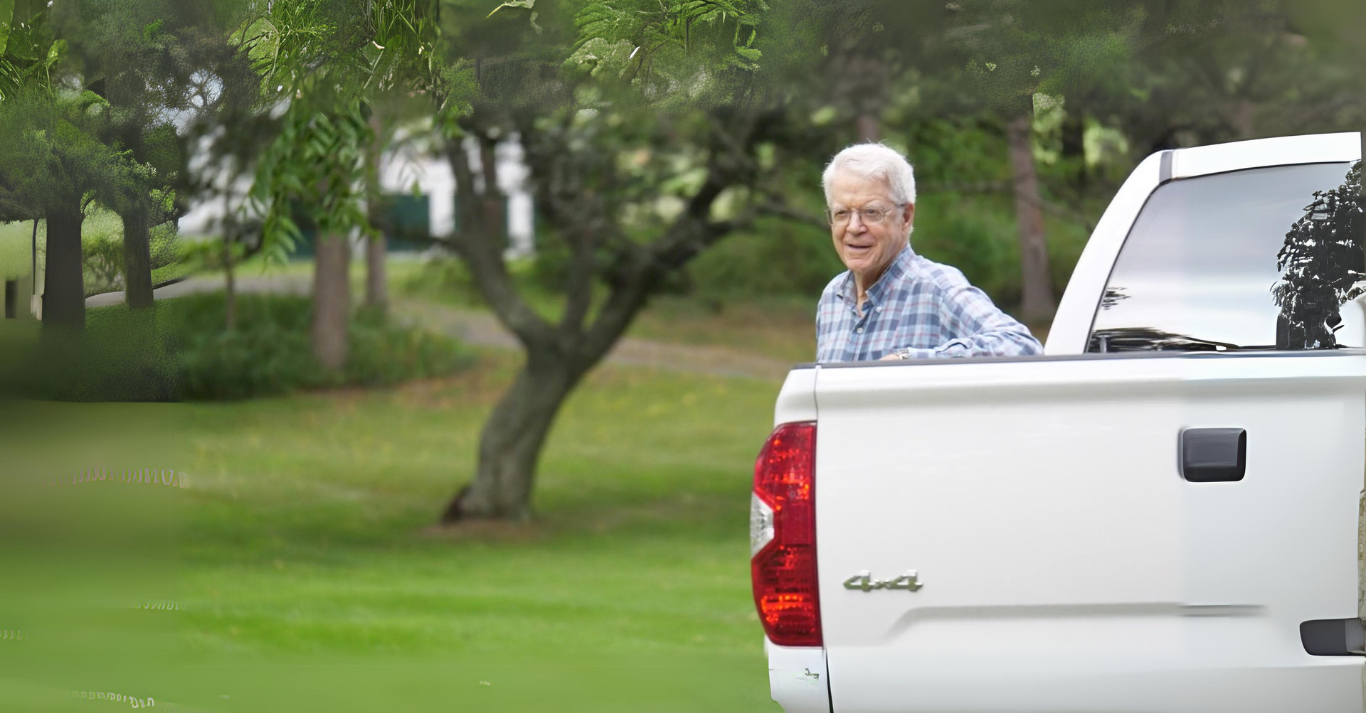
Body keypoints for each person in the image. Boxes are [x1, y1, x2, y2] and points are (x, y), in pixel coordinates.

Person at [816, 143, 1044, 362]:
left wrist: (911, 360)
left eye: (871, 212)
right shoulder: (831, 298)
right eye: (842, 213)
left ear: (905, 217)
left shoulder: (937, 288)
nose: (854, 227)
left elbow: (1023, 347)